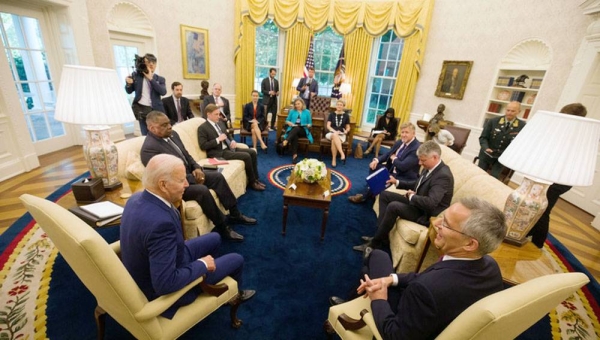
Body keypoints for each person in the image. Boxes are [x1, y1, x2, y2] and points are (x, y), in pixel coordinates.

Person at [330, 197, 506, 339]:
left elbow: (394, 335)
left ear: (470, 244)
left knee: (376, 258)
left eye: (446, 224)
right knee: (377, 262)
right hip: (432, 316)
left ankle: (348, 307)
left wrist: (379, 299)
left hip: (407, 317)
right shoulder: (491, 267)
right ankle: (353, 298)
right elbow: (427, 280)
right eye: (441, 217)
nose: (436, 224)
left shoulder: (427, 289)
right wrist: (392, 279)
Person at [120, 154, 255, 319]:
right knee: (237, 259)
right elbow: (165, 284)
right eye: (181, 180)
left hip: (168, 260)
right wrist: (202, 265)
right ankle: (233, 295)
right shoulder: (160, 225)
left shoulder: (134, 199)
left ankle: (209, 282)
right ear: (163, 185)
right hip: (165, 291)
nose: (186, 184)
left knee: (215, 238)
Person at [141, 111, 257, 242]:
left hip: (189, 174)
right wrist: (193, 179)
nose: (169, 126)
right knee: (202, 191)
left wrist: (197, 168)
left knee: (217, 177)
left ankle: (235, 214)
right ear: (152, 128)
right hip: (176, 186)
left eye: (169, 123)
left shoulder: (173, 135)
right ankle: (223, 227)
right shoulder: (149, 149)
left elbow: (187, 155)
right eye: (164, 125)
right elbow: (167, 177)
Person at [354, 141, 454, 253]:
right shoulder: (430, 167)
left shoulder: (443, 176)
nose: (420, 163)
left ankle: (375, 243)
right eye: (419, 159)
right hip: (418, 203)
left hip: (426, 213)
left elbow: (431, 203)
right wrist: (397, 182)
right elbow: (418, 183)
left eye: (423, 160)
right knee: (384, 195)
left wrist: (411, 196)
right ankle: (381, 236)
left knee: (394, 206)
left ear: (435, 157)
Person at [527, 103, 588, 248]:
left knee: (543, 210)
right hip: (561, 178)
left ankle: (537, 244)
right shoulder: (577, 133)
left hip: (559, 179)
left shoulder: (575, 135)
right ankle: (531, 233)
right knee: (539, 207)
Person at [198, 104, 265, 192]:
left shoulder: (220, 123)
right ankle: (252, 183)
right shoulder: (202, 128)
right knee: (246, 156)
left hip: (229, 148)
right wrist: (218, 140)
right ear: (208, 114)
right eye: (216, 114)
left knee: (252, 152)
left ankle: (256, 179)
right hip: (218, 152)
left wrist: (232, 141)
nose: (219, 116)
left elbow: (228, 134)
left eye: (219, 114)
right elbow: (203, 145)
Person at [349, 122, 421, 204]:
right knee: (374, 166)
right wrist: (376, 160)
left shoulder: (416, 148)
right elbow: (388, 154)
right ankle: (371, 190)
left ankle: (364, 196)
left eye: (406, 132)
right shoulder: (400, 142)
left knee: (382, 177)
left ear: (413, 133)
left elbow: (403, 166)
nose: (404, 135)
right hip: (391, 169)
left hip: (402, 176)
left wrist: (394, 158)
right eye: (402, 132)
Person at [478, 101, 526, 179]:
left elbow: (519, 144)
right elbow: (483, 138)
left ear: (518, 112)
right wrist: (486, 148)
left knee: (494, 177)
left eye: (513, 111)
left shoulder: (522, 125)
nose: (509, 113)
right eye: (508, 110)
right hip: (486, 154)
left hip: (502, 157)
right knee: (479, 175)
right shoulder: (493, 121)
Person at [125, 53, 166, 135]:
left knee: (159, 132)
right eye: (148, 62)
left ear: (156, 65)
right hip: (142, 109)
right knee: (145, 134)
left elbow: (163, 92)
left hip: (156, 109)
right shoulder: (136, 76)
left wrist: (151, 79)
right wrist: (128, 84)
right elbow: (129, 91)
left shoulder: (160, 79)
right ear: (144, 63)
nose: (151, 64)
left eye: (153, 62)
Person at [282, 98, 313, 164]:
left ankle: (286, 140)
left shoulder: (307, 112)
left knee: (297, 128)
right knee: (295, 135)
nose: (297, 105)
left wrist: (308, 125)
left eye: (298, 104)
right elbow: (287, 120)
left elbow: (310, 123)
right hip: (293, 129)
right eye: (296, 104)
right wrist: (290, 123)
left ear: (302, 103)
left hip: (303, 130)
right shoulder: (292, 111)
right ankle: (294, 155)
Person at [325, 99, 350, 167]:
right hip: (331, 133)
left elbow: (348, 127)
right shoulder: (331, 114)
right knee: (334, 135)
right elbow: (328, 126)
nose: (339, 106)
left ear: (343, 106)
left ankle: (334, 159)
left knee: (334, 140)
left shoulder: (346, 116)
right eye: (338, 105)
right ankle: (342, 153)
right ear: (336, 106)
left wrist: (346, 131)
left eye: (341, 105)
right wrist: (335, 131)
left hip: (341, 134)